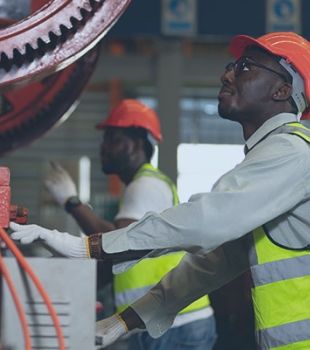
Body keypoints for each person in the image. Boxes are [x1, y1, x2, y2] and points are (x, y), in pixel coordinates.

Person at [10, 32, 310, 349]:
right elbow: (207, 267)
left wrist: (88, 246)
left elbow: (205, 221)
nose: (227, 74)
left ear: (282, 92)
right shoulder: (270, 164)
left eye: (245, 67)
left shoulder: (293, 152)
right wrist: (121, 322)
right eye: (232, 65)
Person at [41, 99, 217, 350]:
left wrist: (71, 202)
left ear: (138, 144)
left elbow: (117, 241)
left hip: (174, 327)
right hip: (169, 321)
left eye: (114, 139)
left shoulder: (145, 186)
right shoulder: (144, 186)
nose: (104, 147)